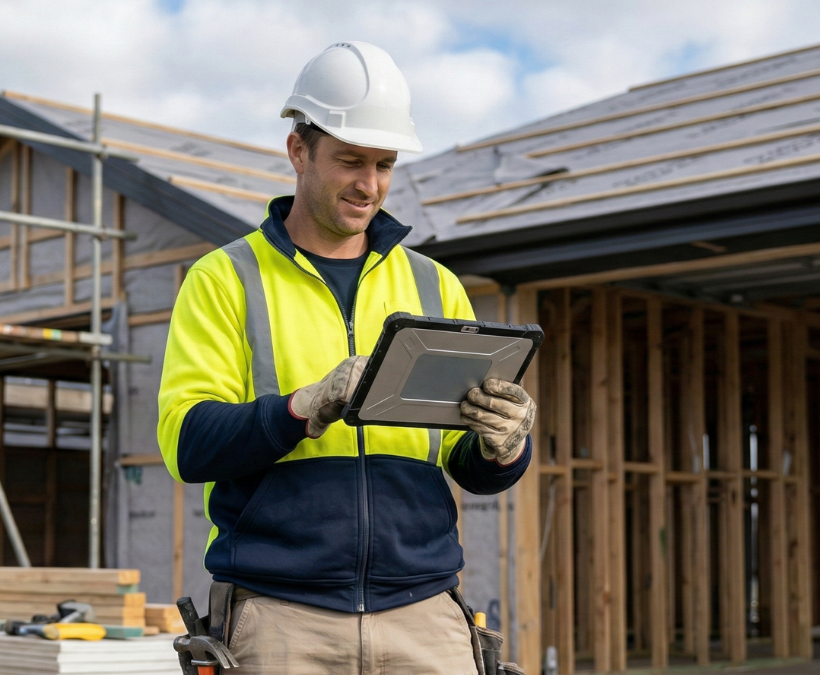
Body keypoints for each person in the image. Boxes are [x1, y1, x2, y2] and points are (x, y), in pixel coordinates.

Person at [158, 41, 536, 675]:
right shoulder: (225, 279)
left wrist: (503, 446)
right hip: (281, 620)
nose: (370, 184)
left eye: (385, 163)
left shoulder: (434, 285)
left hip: (425, 614)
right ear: (298, 150)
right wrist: (304, 406)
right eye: (350, 161)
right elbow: (189, 445)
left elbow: (461, 461)